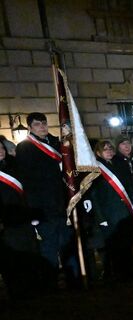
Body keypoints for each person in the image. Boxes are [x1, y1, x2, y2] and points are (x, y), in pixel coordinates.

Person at [14, 112, 78, 287]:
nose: (42, 127)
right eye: (37, 124)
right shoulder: (24, 148)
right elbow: (28, 180)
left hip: (63, 203)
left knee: (68, 243)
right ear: (30, 127)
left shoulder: (58, 143)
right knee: (49, 246)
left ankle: (73, 278)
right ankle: (50, 281)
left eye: (44, 123)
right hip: (43, 207)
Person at [86, 140, 133, 280]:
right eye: (105, 149)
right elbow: (94, 196)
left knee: (126, 243)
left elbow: (128, 188)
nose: (109, 151)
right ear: (98, 153)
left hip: (123, 212)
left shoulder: (119, 165)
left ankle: (126, 270)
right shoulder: (96, 169)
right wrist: (101, 218)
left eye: (110, 148)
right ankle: (112, 272)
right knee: (112, 246)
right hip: (108, 214)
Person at [0, 143, 41, 297]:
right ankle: (15, 289)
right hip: (7, 221)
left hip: (23, 218)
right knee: (11, 257)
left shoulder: (15, 168)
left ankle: (32, 285)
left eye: (2, 148)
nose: (1, 151)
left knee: (29, 251)